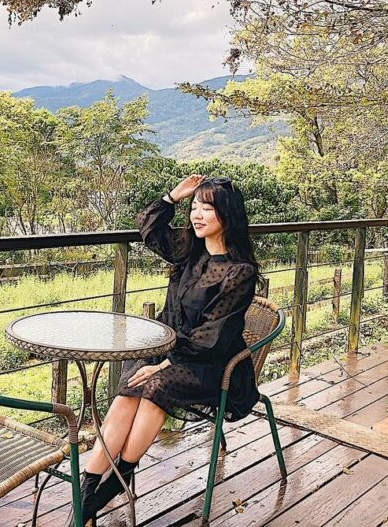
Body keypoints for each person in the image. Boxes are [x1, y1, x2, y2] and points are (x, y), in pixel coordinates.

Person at [75, 174, 262, 524]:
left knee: (157, 384)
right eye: (194, 207)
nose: (197, 214)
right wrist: (172, 196)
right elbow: (147, 229)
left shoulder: (240, 272)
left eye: (207, 208)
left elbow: (213, 338)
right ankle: (88, 491)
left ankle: (119, 476)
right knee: (132, 382)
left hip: (213, 364)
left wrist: (162, 365)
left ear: (227, 215)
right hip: (171, 351)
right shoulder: (188, 248)